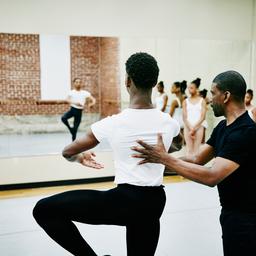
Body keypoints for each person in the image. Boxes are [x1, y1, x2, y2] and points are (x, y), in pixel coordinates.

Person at [33, 52, 181, 256]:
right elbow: (177, 145)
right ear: (155, 82)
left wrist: (79, 157)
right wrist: (161, 150)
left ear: (128, 81)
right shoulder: (169, 122)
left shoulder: (113, 123)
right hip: (154, 203)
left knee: (44, 210)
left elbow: (67, 151)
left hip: (125, 202)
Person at [131, 70, 256, 256]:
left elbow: (212, 176)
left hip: (247, 218)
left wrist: (165, 159)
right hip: (230, 214)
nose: (210, 99)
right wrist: (157, 164)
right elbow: (197, 159)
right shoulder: (223, 127)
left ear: (226, 96)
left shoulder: (245, 132)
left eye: (213, 94)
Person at [182, 78, 207, 156]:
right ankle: (187, 167)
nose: (189, 90)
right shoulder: (185, 101)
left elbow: (203, 116)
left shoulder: (202, 101)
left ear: (197, 89)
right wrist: (190, 127)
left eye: (191, 88)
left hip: (199, 126)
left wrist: (195, 128)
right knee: (189, 149)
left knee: (196, 150)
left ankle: (195, 167)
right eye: (188, 88)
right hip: (187, 127)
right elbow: (184, 117)